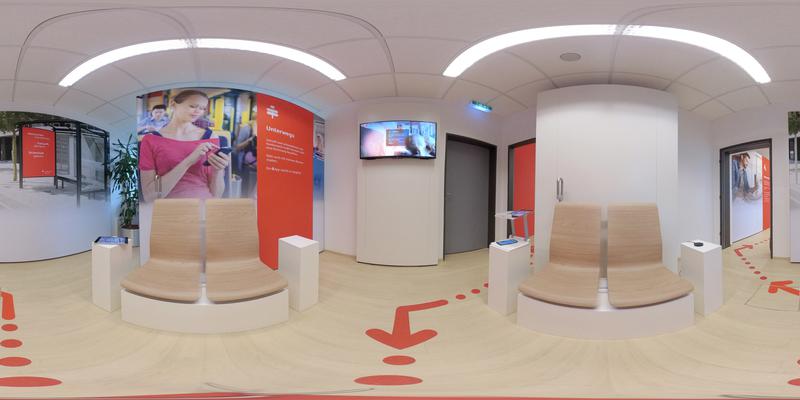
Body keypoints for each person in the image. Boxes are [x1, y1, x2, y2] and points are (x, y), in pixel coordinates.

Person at [139, 90, 230, 203]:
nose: (198, 111)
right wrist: (189, 160)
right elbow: (150, 197)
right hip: (167, 208)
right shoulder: (151, 140)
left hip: (204, 206)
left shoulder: (211, 137)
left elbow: (217, 195)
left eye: (202, 108)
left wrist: (218, 170)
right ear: (173, 104)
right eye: (193, 106)